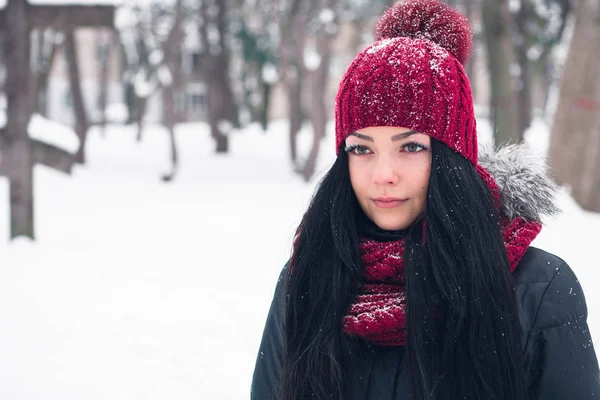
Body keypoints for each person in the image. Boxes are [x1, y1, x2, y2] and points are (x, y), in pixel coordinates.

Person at [251, 0, 600, 399]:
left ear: (453, 158)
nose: (384, 174)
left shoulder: (537, 289)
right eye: (361, 149)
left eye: (411, 147)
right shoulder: (307, 275)